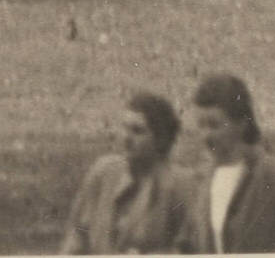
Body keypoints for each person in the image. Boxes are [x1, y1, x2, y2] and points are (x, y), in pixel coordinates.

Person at [185, 74, 275, 254]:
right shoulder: (200, 179)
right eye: (200, 125)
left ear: (241, 124)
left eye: (214, 125)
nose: (206, 135)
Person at [62, 92, 191, 255]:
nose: (126, 138)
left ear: (161, 139)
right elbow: (77, 234)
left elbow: (189, 248)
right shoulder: (104, 173)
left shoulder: (180, 185)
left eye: (137, 131)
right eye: (124, 128)